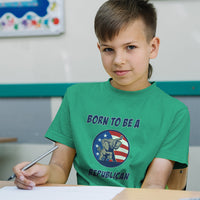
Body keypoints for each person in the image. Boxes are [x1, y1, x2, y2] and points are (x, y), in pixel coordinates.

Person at [13, 0, 190, 190]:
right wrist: (44, 173)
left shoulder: (174, 112)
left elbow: (154, 184)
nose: (118, 60)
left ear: (152, 47)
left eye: (130, 47)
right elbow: (59, 169)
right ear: (99, 49)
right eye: (108, 49)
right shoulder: (76, 97)